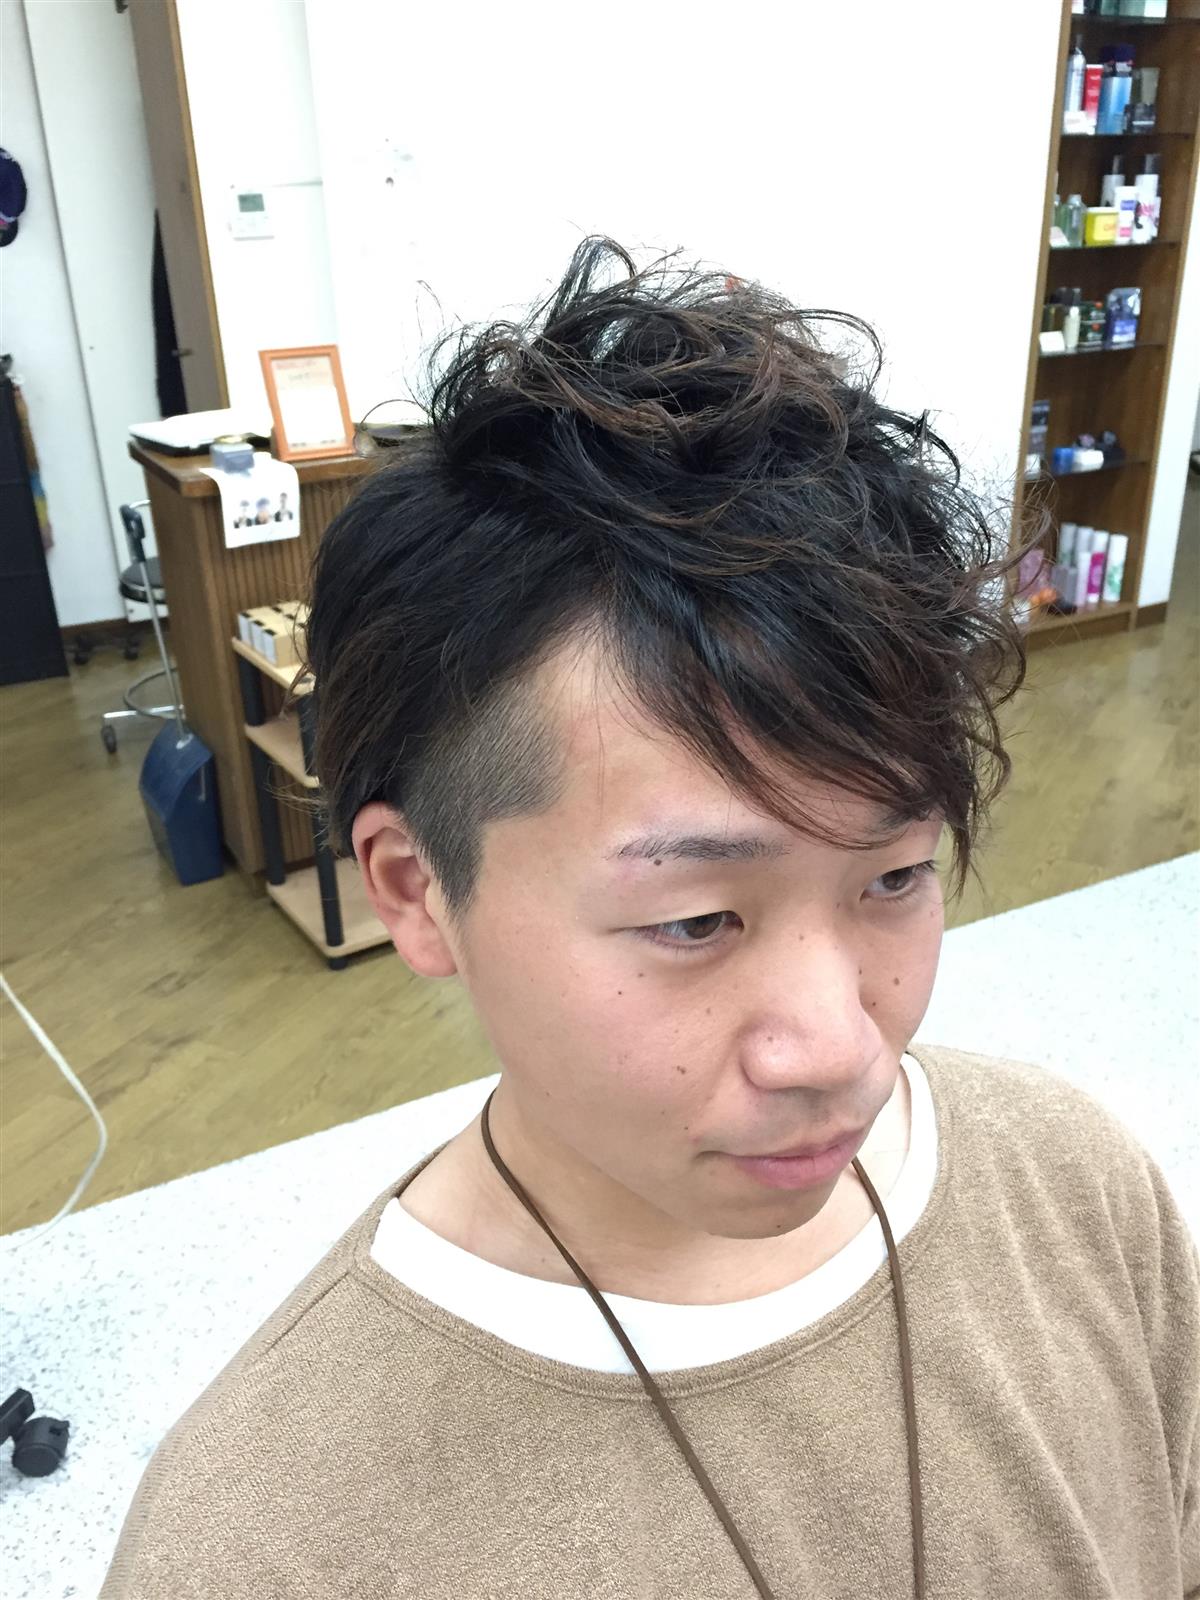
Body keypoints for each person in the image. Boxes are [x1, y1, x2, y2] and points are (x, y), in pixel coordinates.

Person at [99, 238, 1198, 1599]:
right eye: (694, 920)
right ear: (416, 892)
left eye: (895, 878)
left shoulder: (1082, 1195)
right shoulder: (262, 1546)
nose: (840, 1048)